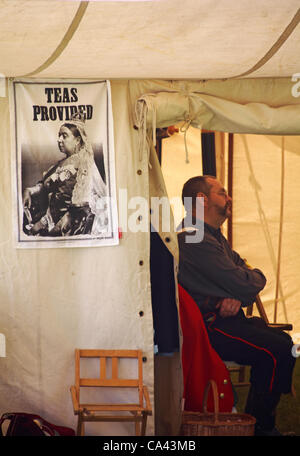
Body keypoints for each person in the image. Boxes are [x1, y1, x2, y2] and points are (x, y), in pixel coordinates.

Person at [177, 175, 296, 436]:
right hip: (207, 327)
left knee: (283, 343)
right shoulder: (194, 237)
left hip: (225, 318)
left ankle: (256, 424)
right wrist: (238, 290)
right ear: (202, 200)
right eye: (223, 193)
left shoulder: (211, 236)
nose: (229, 198)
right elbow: (244, 281)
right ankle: (261, 428)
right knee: (276, 349)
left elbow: (245, 275)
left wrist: (238, 294)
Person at [22, 113, 108, 237]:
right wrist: (29, 191)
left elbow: (87, 199)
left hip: (72, 225)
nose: (59, 140)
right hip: (51, 221)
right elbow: (45, 184)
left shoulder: (85, 164)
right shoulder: (58, 165)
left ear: (78, 140)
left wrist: (46, 223)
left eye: (64, 136)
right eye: (59, 135)